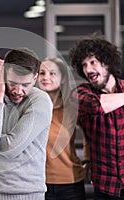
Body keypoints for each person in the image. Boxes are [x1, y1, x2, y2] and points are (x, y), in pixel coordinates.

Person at [69, 36, 124, 200]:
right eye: (84, 65)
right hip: (106, 187)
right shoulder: (81, 93)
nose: (88, 69)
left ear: (107, 62)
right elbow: (97, 106)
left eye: (93, 62)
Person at [0, 48, 53, 200]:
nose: (18, 91)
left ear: (35, 78)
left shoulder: (40, 100)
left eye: (25, 85)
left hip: (27, 194)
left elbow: (10, 148)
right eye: (13, 83)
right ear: (2, 75)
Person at [38, 57, 89, 200]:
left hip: (70, 182)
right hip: (38, 182)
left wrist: (87, 161)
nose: (46, 77)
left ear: (63, 78)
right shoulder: (31, 108)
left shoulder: (72, 107)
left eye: (52, 73)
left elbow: (89, 134)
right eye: (42, 73)